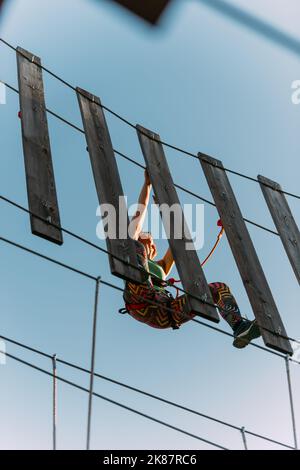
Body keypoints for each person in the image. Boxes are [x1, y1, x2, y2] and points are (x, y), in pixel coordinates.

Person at [122, 171, 261, 349]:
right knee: (133, 247)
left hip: (166, 311)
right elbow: (137, 219)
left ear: (154, 248)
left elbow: (178, 240)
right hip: (140, 298)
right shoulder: (136, 251)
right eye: (142, 237)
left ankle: (239, 327)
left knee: (218, 288)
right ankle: (143, 278)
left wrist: (165, 212)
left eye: (148, 239)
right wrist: (147, 185)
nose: (145, 239)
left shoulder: (162, 267)